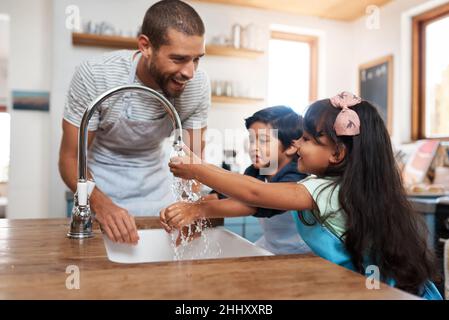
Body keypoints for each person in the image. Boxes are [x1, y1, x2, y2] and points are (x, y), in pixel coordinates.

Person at [166, 92, 442, 299]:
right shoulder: (338, 185)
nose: (298, 143)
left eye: (308, 139)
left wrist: (197, 169)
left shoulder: (319, 188)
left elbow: (254, 194)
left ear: (337, 153)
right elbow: (245, 187)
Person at [59, 0, 210, 244]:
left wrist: (190, 207)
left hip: (157, 194)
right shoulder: (97, 75)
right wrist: (100, 204)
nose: (189, 72)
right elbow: (70, 159)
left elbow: (194, 164)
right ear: (146, 46)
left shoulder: (197, 86)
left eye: (197, 59)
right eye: (179, 59)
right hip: (100, 189)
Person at [161, 106, 311, 254]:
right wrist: (182, 209)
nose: (254, 147)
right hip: (270, 247)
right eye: (252, 140)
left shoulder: (297, 176)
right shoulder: (257, 171)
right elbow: (224, 195)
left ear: (292, 146)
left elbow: (252, 203)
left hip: (303, 253)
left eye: (264, 141)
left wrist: (195, 210)